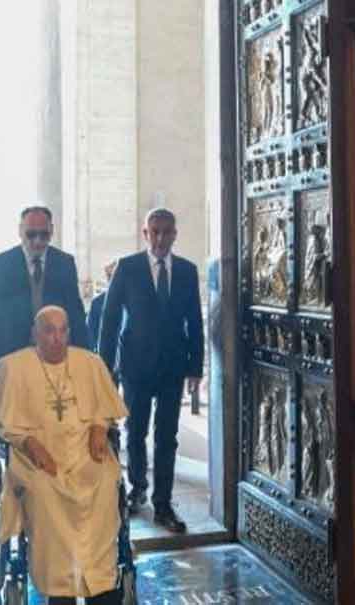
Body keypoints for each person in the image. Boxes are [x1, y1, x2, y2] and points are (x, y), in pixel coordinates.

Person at [0, 306, 128, 605]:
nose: (56, 338)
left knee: (104, 482)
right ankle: (59, 583)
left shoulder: (90, 363)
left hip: (85, 452)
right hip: (37, 456)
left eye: (62, 330)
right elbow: (5, 425)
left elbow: (105, 410)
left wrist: (99, 427)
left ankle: (100, 578)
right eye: (49, 330)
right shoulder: (12, 367)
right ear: (34, 333)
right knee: (45, 493)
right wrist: (29, 443)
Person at [98, 208, 203, 533]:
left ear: (174, 234)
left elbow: (195, 321)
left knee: (167, 437)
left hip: (172, 366)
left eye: (166, 232)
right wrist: (104, 368)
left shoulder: (186, 271)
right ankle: (137, 489)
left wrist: (195, 368)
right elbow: (109, 319)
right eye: (154, 232)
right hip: (136, 365)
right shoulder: (127, 268)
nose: (160, 238)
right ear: (145, 234)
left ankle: (164, 504)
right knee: (136, 431)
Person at [0, 205, 89, 374]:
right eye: (31, 234)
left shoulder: (65, 263)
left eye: (44, 234)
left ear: (52, 231)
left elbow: (75, 314)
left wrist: (82, 358)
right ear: (20, 231)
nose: (38, 241)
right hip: (12, 357)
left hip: (56, 358)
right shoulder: (2, 264)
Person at [86, 259, 117, 354]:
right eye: (110, 276)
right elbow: (90, 334)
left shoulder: (132, 300)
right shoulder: (97, 303)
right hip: (103, 353)